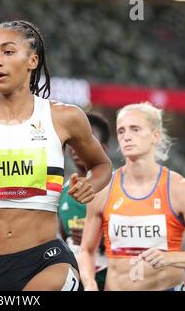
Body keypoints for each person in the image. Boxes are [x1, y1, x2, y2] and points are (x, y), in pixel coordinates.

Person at [0, 20, 112, 291]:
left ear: (33, 60)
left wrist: (90, 185)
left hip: (48, 261)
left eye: (8, 52)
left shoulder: (63, 117)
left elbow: (102, 165)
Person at [79, 102, 185, 291]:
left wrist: (171, 258)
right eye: (121, 131)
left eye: (135, 129)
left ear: (155, 136)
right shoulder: (104, 190)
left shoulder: (179, 189)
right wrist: (90, 284)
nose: (126, 137)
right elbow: (86, 250)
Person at [58, 112, 110, 291]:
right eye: (73, 142)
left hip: (114, 280)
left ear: (102, 148)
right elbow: (64, 237)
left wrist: (97, 240)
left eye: (86, 141)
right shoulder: (62, 191)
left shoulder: (120, 187)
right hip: (78, 280)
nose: (75, 148)